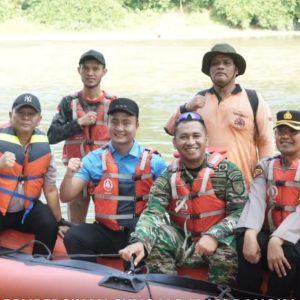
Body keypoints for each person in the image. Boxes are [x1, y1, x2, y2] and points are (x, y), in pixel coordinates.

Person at [119, 112, 248, 286]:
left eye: (196, 136)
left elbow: (240, 212)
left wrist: (214, 235)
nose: (190, 142)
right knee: (156, 238)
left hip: (218, 242)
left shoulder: (228, 171)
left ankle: (219, 293)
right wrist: (140, 241)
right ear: (175, 142)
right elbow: (152, 213)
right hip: (184, 240)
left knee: (225, 255)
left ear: (206, 139)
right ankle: (166, 290)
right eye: (184, 137)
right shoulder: (167, 176)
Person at [59, 98, 167, 263]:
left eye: (126, 123)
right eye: (114, 122)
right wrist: (68, 174)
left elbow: (169, 202)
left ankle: (137, 274)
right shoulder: (93, 159)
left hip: (139, 232)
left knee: (139, 227)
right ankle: (90, 279)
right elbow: (66, 196)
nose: (120, 128)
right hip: (107, 231)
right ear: (107, 125)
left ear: (137, 125)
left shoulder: (154, 162)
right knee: (74, 236)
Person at [164, 43, 274, 190]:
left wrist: (264, 180)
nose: (220, 66)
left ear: (236, 70)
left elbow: (266, 142)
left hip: (244, 185)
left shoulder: (253, 99)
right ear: (209, 71)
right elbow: (171, 130)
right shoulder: (198, 100)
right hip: (204, 186)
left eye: (226, 63)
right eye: (215, 63)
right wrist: (185, 108)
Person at [47, 49, 117, 224]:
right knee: (76, 223)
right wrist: (78, 123)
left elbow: (126, 138)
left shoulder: (114, 104)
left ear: (104, 71)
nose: (90, 73)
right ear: (79, 71)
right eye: (86, 68)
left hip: (105, 171)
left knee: (107, 222)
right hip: (77, 170)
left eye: (95, 68)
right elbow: (51, 136)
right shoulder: (68, 103)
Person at [236, 110, 300, 299]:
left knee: (290, 250)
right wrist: (250, 233)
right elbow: (255, 200)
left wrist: (278, 238)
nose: (285, 136)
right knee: (245, 240)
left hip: (294, 234)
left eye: (292, 131)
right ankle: (249, 294)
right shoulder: (264, 165)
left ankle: (277, 295)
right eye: (281, 131)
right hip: (271, 230)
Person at [0, 93, 67, 255]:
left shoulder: (44, 147)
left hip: (25, 212)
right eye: (21, 113)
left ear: (39, 119)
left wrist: (59, 222)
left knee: (48, 223)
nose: (26, 118)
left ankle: (40, 264)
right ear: (11, 115)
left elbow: (50, 189)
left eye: (31, 114)